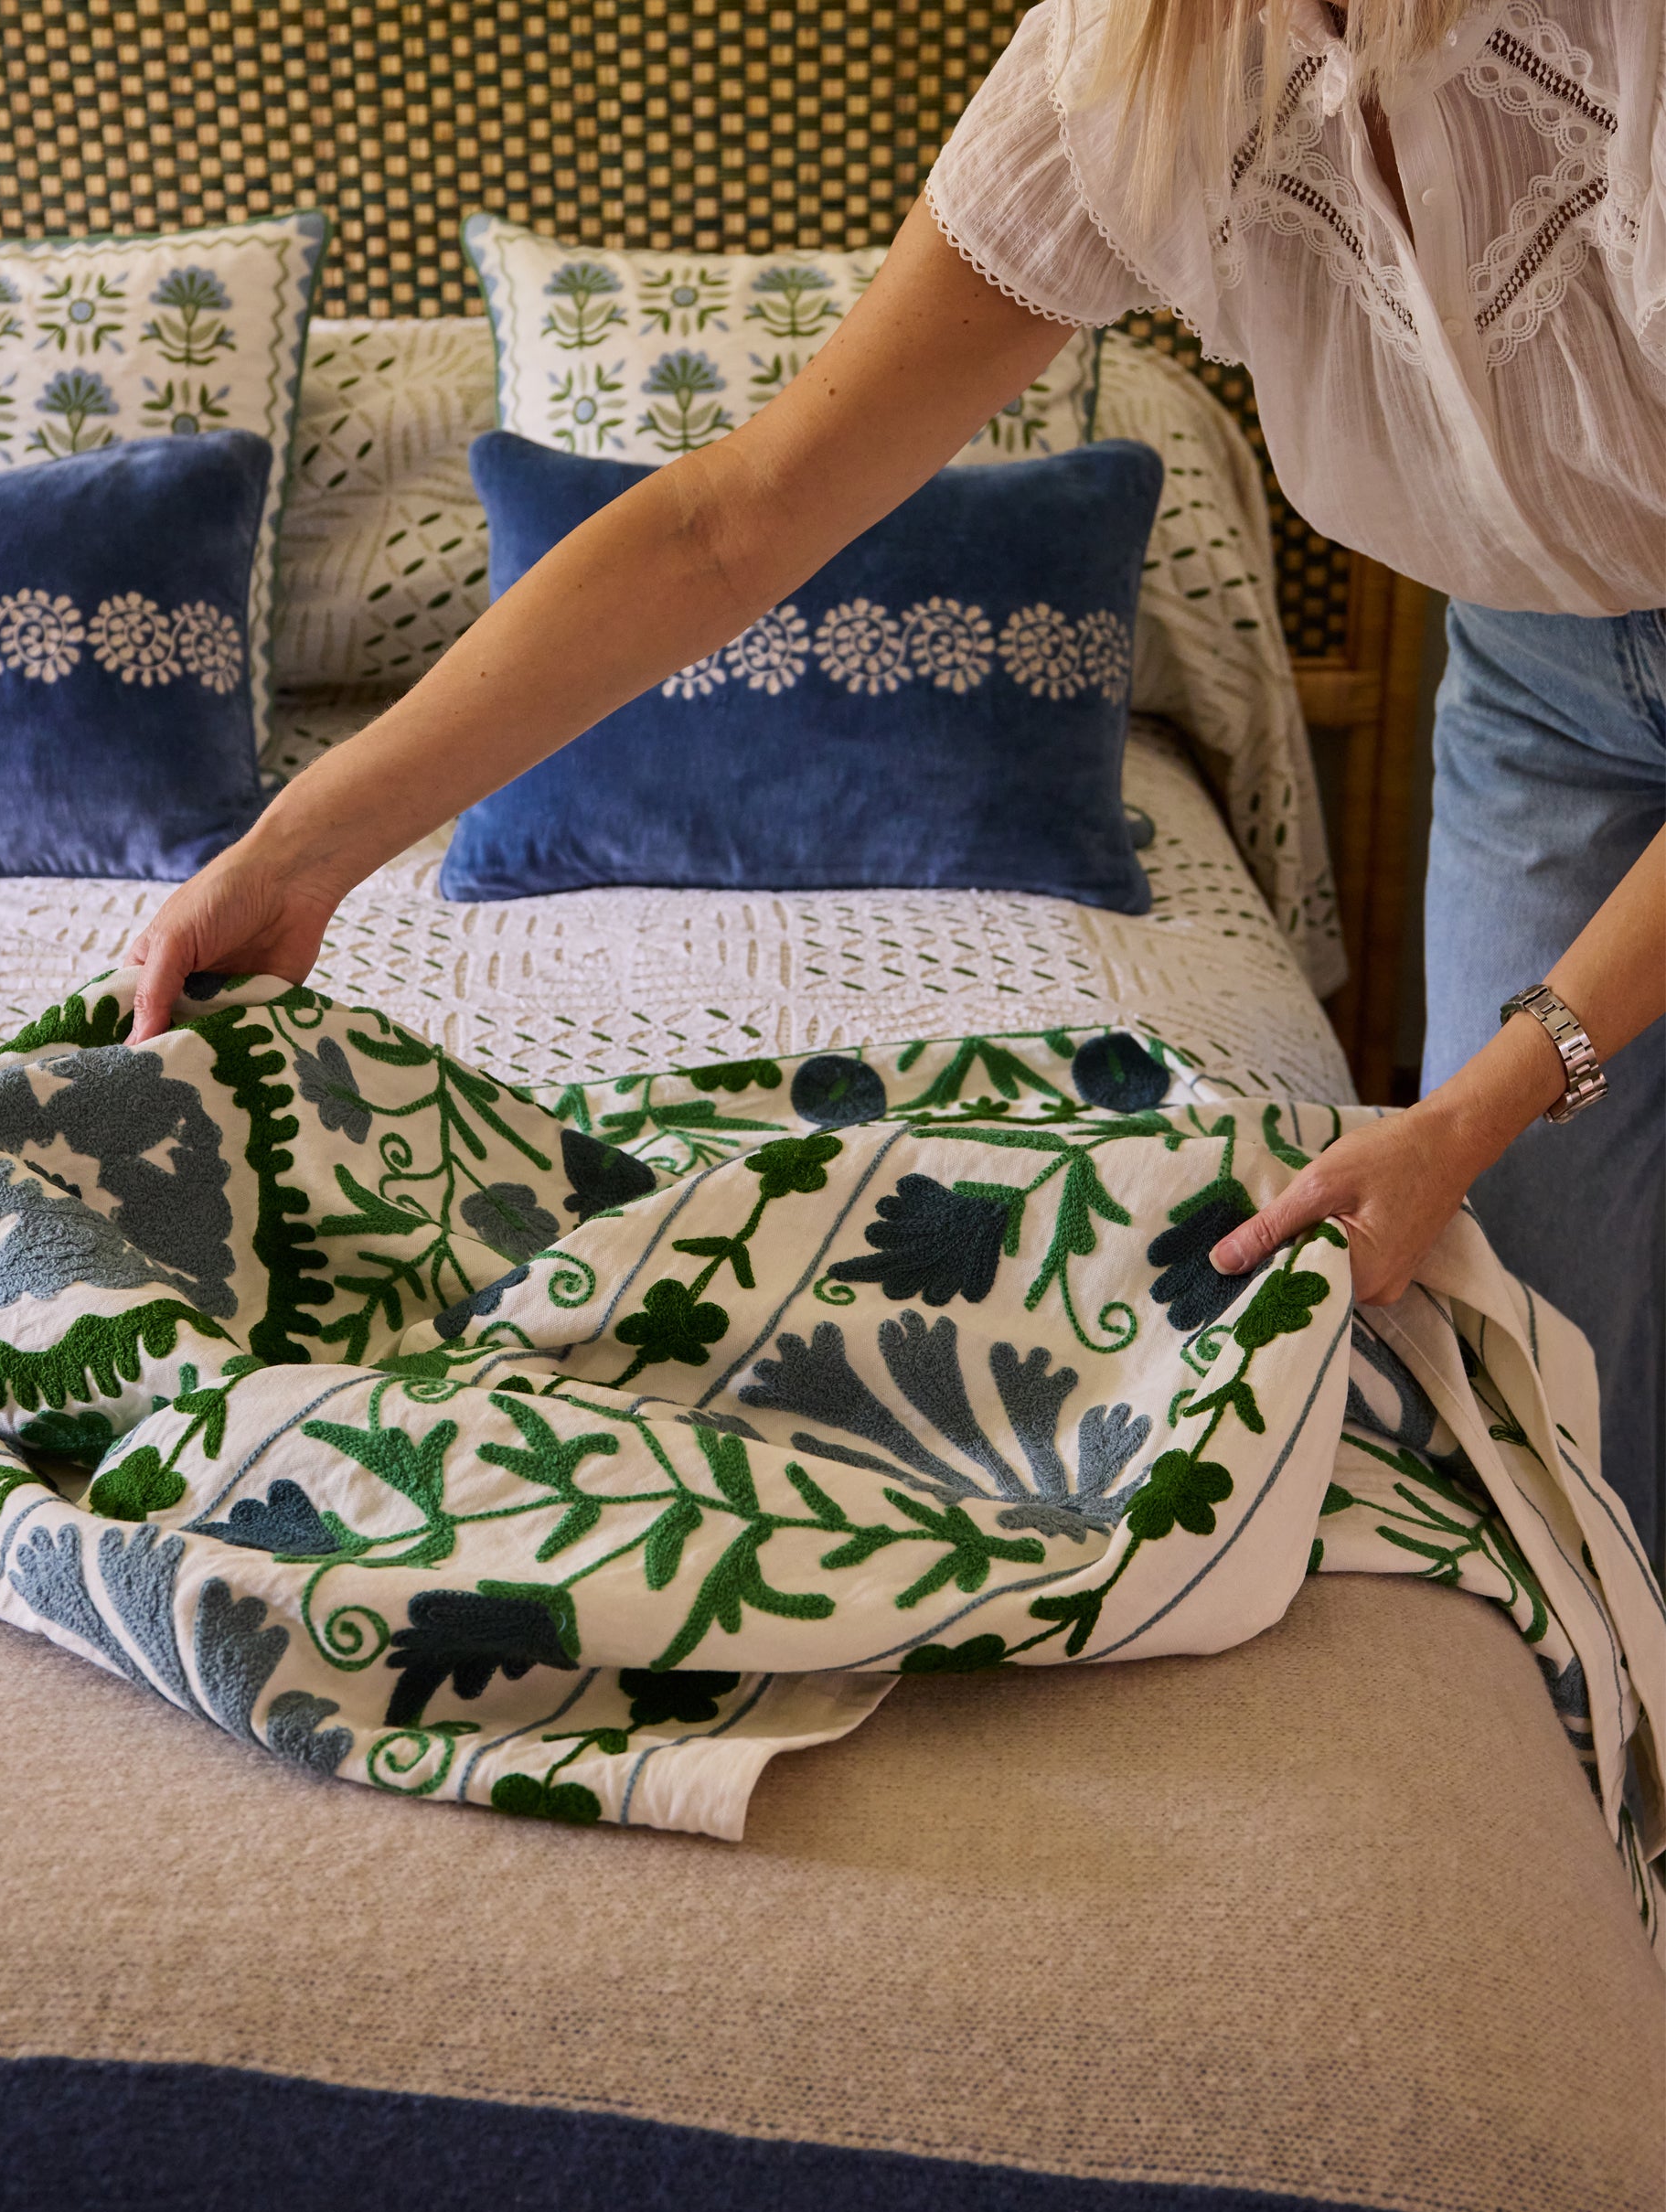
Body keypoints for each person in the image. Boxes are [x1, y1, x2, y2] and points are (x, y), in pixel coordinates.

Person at [126, 0, 1666, 1563]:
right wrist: (301, 849)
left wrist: (1479, 1095)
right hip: (1543, 683)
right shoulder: (1137, 64)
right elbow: (736, 517)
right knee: (1555, 1379)